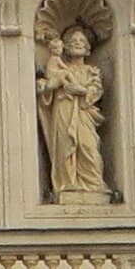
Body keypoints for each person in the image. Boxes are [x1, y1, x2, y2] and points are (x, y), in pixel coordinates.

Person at [35, 24, 108, 203]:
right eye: (73, 41)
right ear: (65, 46)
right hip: (63, 110)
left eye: (81, 41)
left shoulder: (91, 71)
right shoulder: (59, 68)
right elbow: (47, 92)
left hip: (84, 113)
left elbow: (96, 90)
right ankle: (67, 184)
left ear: (88, 48)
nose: (77, 43)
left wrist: (81, 91)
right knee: (64, 145)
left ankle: (92, 184)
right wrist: (48, 87)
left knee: (87, 146)